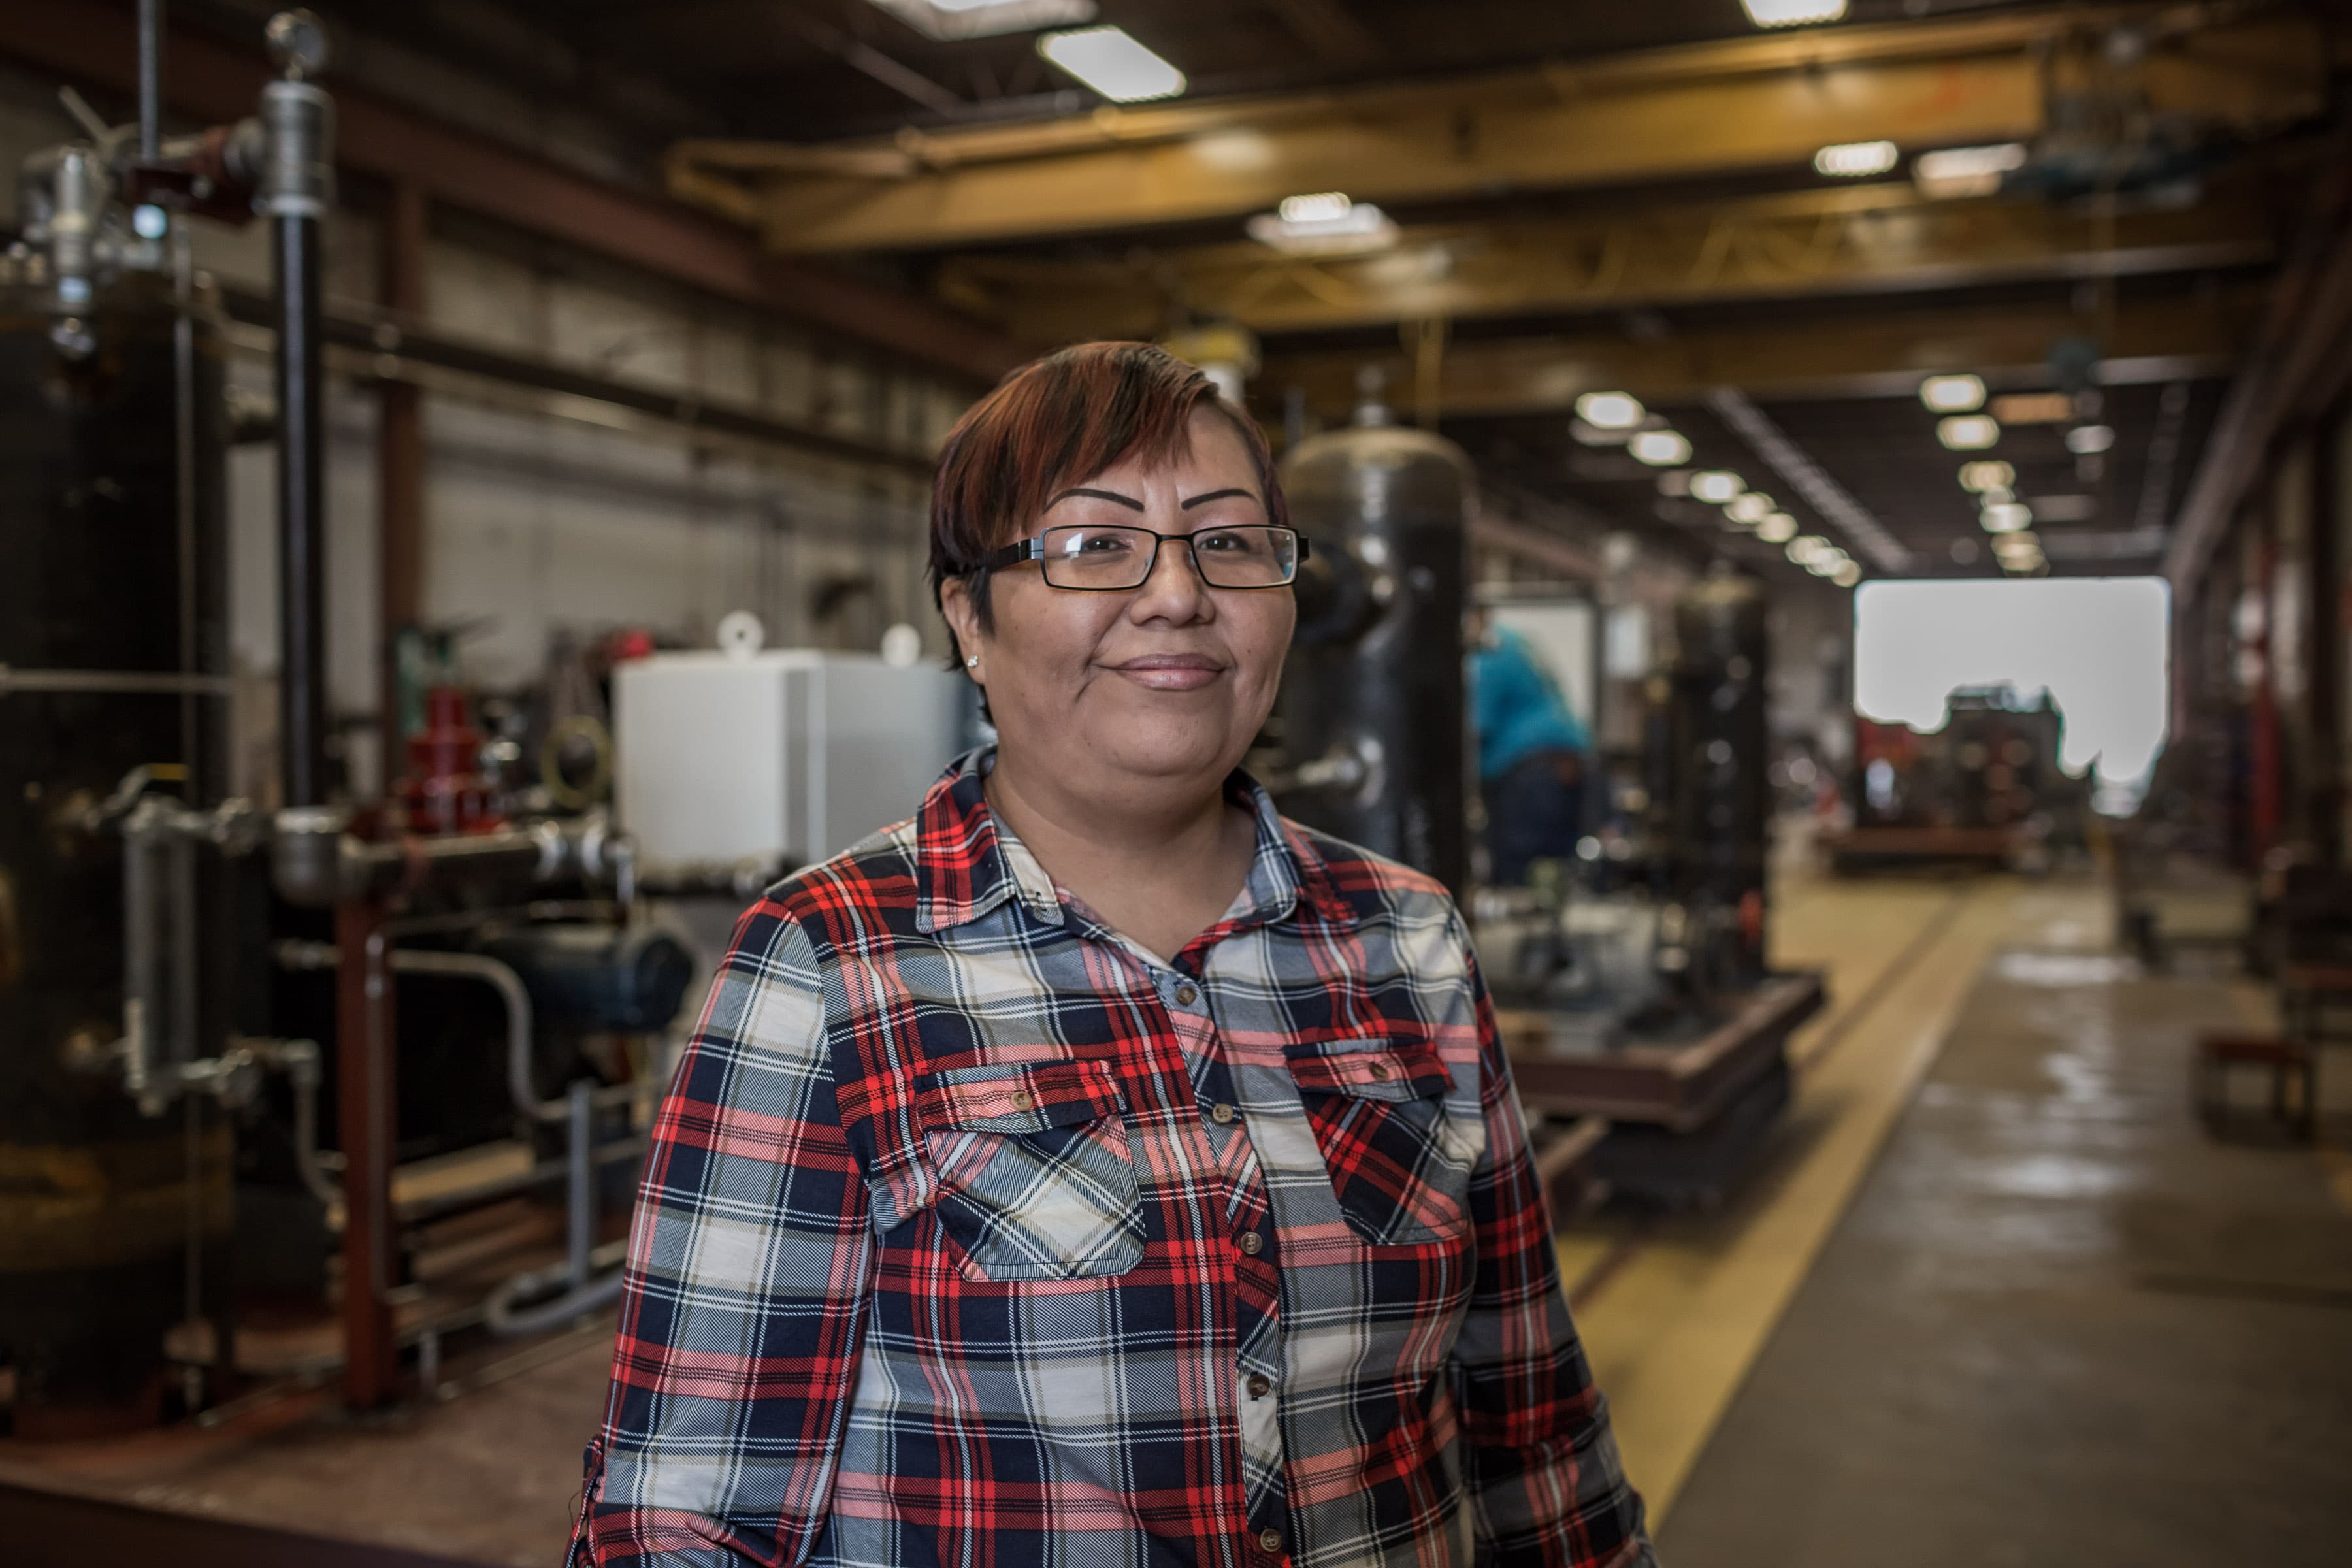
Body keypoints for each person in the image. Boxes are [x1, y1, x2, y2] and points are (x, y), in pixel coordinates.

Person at [568, 342, 1654, 1568]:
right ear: (969, 616)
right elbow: (688, 1514)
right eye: (1097, 544)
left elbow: (1536, 1429)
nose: (1179, 596)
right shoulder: (830, 965)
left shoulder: (1405, 939)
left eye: (1230, 543)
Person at [1471, 612, 1595, 886]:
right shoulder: (1515, 640)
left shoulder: (1487, 654)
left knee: (1519, 870)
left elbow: (1474, 729)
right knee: (1555, 866)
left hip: (1530, 770)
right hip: (1569, 759)